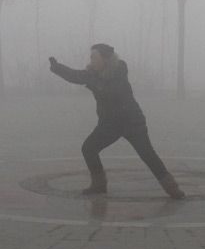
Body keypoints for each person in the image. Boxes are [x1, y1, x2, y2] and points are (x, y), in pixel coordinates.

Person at [49, 43, 185, 199]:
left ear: (105, 59)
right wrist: (57, 68)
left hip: (131, 122)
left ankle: (173, 188)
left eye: (95, 57)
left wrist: (92, 83)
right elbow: (75, 76)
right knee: (88, 149)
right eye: (91, 57)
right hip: (109, 124)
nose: (91, 60)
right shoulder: (92, 73)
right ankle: (99, 185)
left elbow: (113, 92)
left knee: (148, 154)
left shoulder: (119, 69)